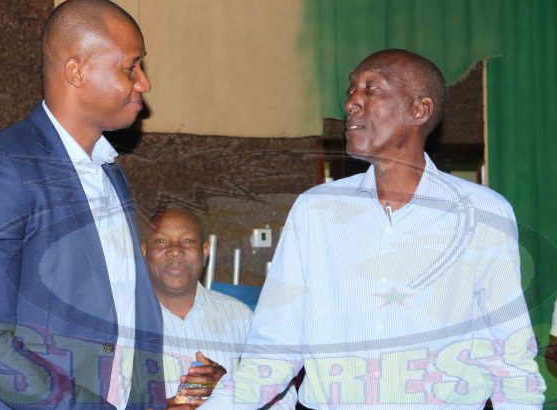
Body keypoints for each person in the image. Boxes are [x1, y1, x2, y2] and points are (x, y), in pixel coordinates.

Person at [200, 49, 545, 409]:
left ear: (419, 110)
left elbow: (511, 359)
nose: (351, 103)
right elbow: (273, 349)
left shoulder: (482, 213)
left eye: (372, 88)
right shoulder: (316, 211)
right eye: (351, 90)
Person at [0, 0, 164, 409]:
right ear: (76, 71)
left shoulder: (109, 173)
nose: (144, 83)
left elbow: (124, 325)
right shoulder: (0, 168)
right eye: (130, 67)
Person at [142, 207, 297, 409]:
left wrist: (231, 390)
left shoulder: (240, 316)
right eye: (161, 241)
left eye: (188, 240)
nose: (175, 250)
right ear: (144, 252)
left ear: (205, 251)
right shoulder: (121, 321)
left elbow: (285, 402)